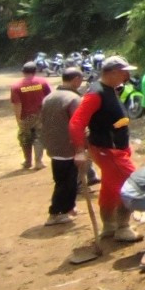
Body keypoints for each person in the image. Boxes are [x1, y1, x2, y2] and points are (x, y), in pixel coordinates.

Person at [69, 55, 142, 243]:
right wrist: (79, 151)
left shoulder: (109, 89)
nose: (127, 76)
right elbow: (76, 123)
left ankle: (109, 225)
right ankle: (123, 227)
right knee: (132, 185)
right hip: (108, 150)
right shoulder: (96, 93)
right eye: (124, 72)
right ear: (114, 72)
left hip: (114, 148)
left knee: (110, 188)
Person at [40, 68, 84, 225]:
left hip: (53, 145)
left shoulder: (49, 97)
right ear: (76, 79)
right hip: (68, 146)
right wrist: (80, 149)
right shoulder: (73, 99)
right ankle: (56, 212)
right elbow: (78, 126)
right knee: (67, 182)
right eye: (81, 80)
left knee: (63, 179)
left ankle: (68, 208)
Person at [10, 61, 52, 170]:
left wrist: (18, 119)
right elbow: (49, 98)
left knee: (25, 138)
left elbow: (17, 104)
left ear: (23, 72)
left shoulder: (16, 86)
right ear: (35, 71)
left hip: (25, 116)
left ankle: (27, 161)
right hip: (40, 115)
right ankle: (38, 162)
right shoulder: (42, 82)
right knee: (39, 137)